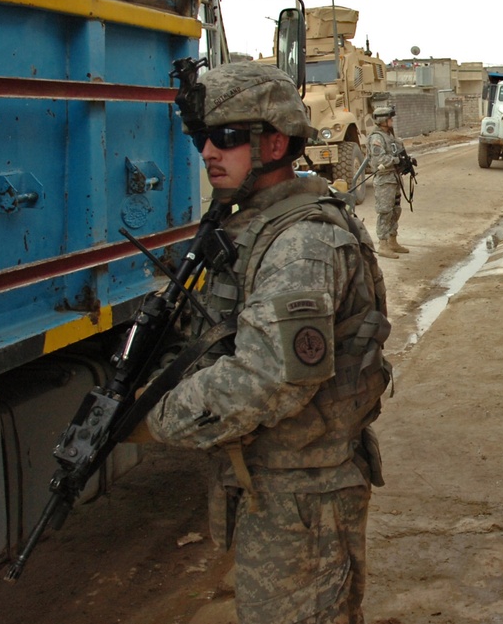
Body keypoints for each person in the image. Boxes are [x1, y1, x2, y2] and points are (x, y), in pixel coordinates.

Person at [131, 61, 392, 624]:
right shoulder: (250, 224)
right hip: (281, 488)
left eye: (227, 138)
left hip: (306, 496)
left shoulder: (301, 244)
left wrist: (154, 415)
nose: (208, 152)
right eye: (202, 138)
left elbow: (267, 378)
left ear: (275, 142)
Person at [366, 105, 410, 258]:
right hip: (385, 180)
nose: (392, 121)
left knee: (395, 210)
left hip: (394, 178)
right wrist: (397, 160)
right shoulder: (376, 138)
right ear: (383, 120)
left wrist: (406, 162)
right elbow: (379, 159)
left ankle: (393, 240)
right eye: (390, 118)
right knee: (385, 212)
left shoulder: (390, 136)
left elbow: (398, 151)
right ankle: (383, 244)